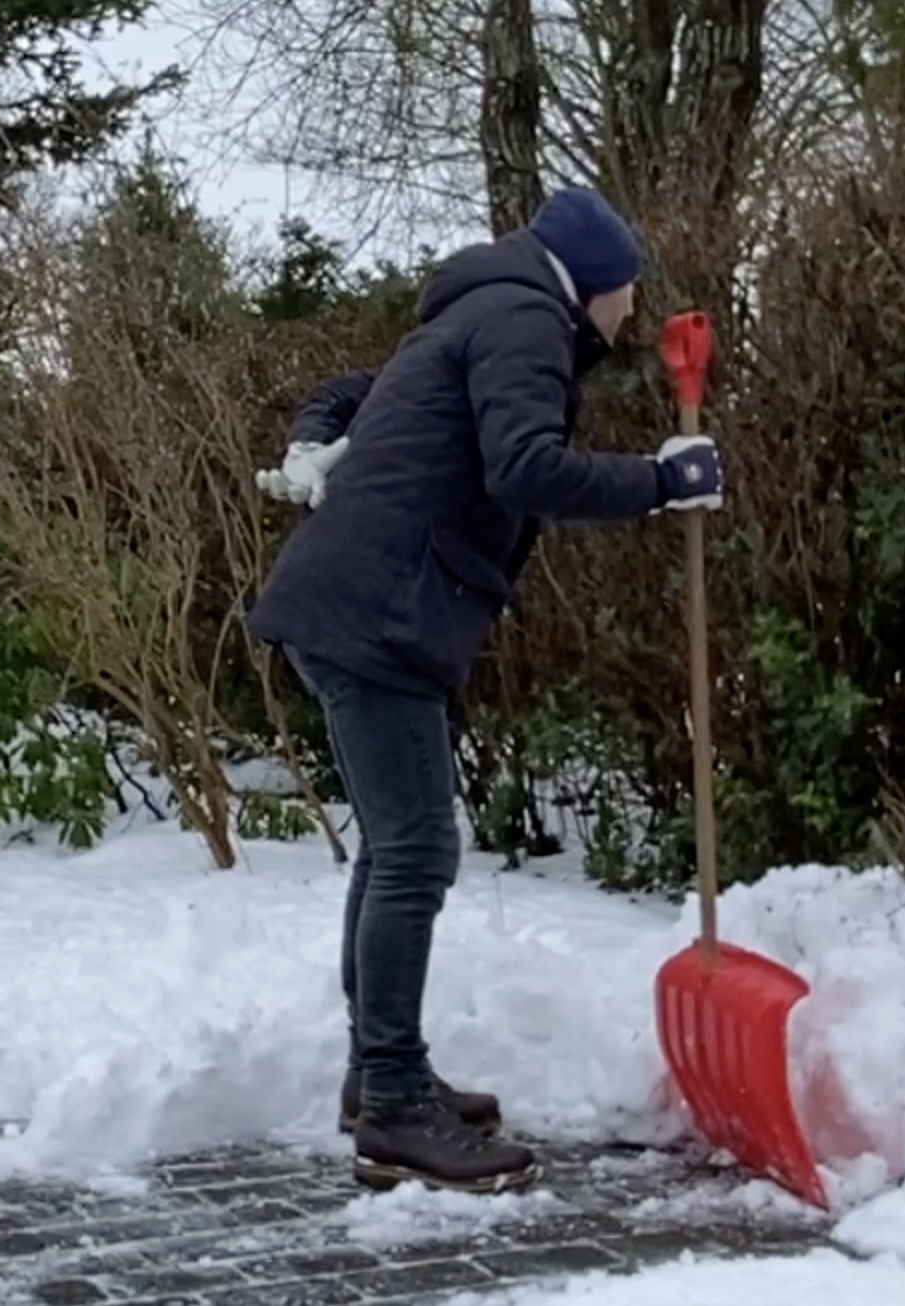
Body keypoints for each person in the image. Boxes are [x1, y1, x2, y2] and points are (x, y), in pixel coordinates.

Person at [244, 187, 723, 1195]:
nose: (631, 318)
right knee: (416, 851)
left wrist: (314, 436)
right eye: (628, 295)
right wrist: (661, 480)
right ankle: (391, 1110)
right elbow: (525, 469)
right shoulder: (525, 320)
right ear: (599, 283)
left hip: (360, 606)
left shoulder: (478, 310)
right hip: (377, 615)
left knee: (395, 849)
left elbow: (349, 391)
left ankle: (383, 1075)